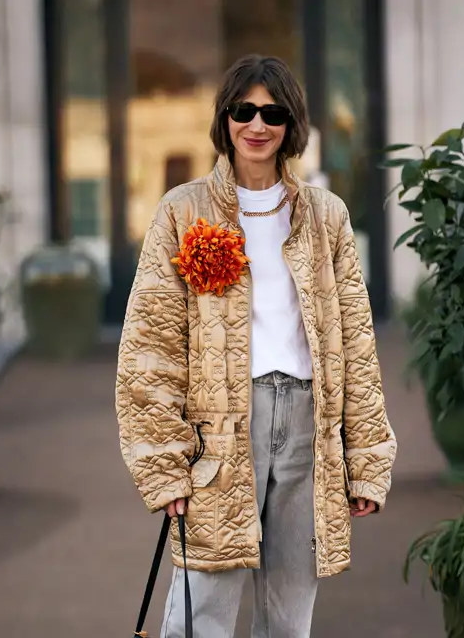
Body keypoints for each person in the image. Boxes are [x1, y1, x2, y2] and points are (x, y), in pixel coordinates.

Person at [116, 54, 397, 638]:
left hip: (306, 428)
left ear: (292, 124)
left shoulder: (325, 216)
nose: (257, 124)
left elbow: (357, 343)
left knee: (290, 618)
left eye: (272, 113)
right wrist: (163, 464)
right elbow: (151, 347)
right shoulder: (182, 211)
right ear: (225, 120)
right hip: (218, 432)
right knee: (202, 614)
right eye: (244, 110)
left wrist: (366, 460)